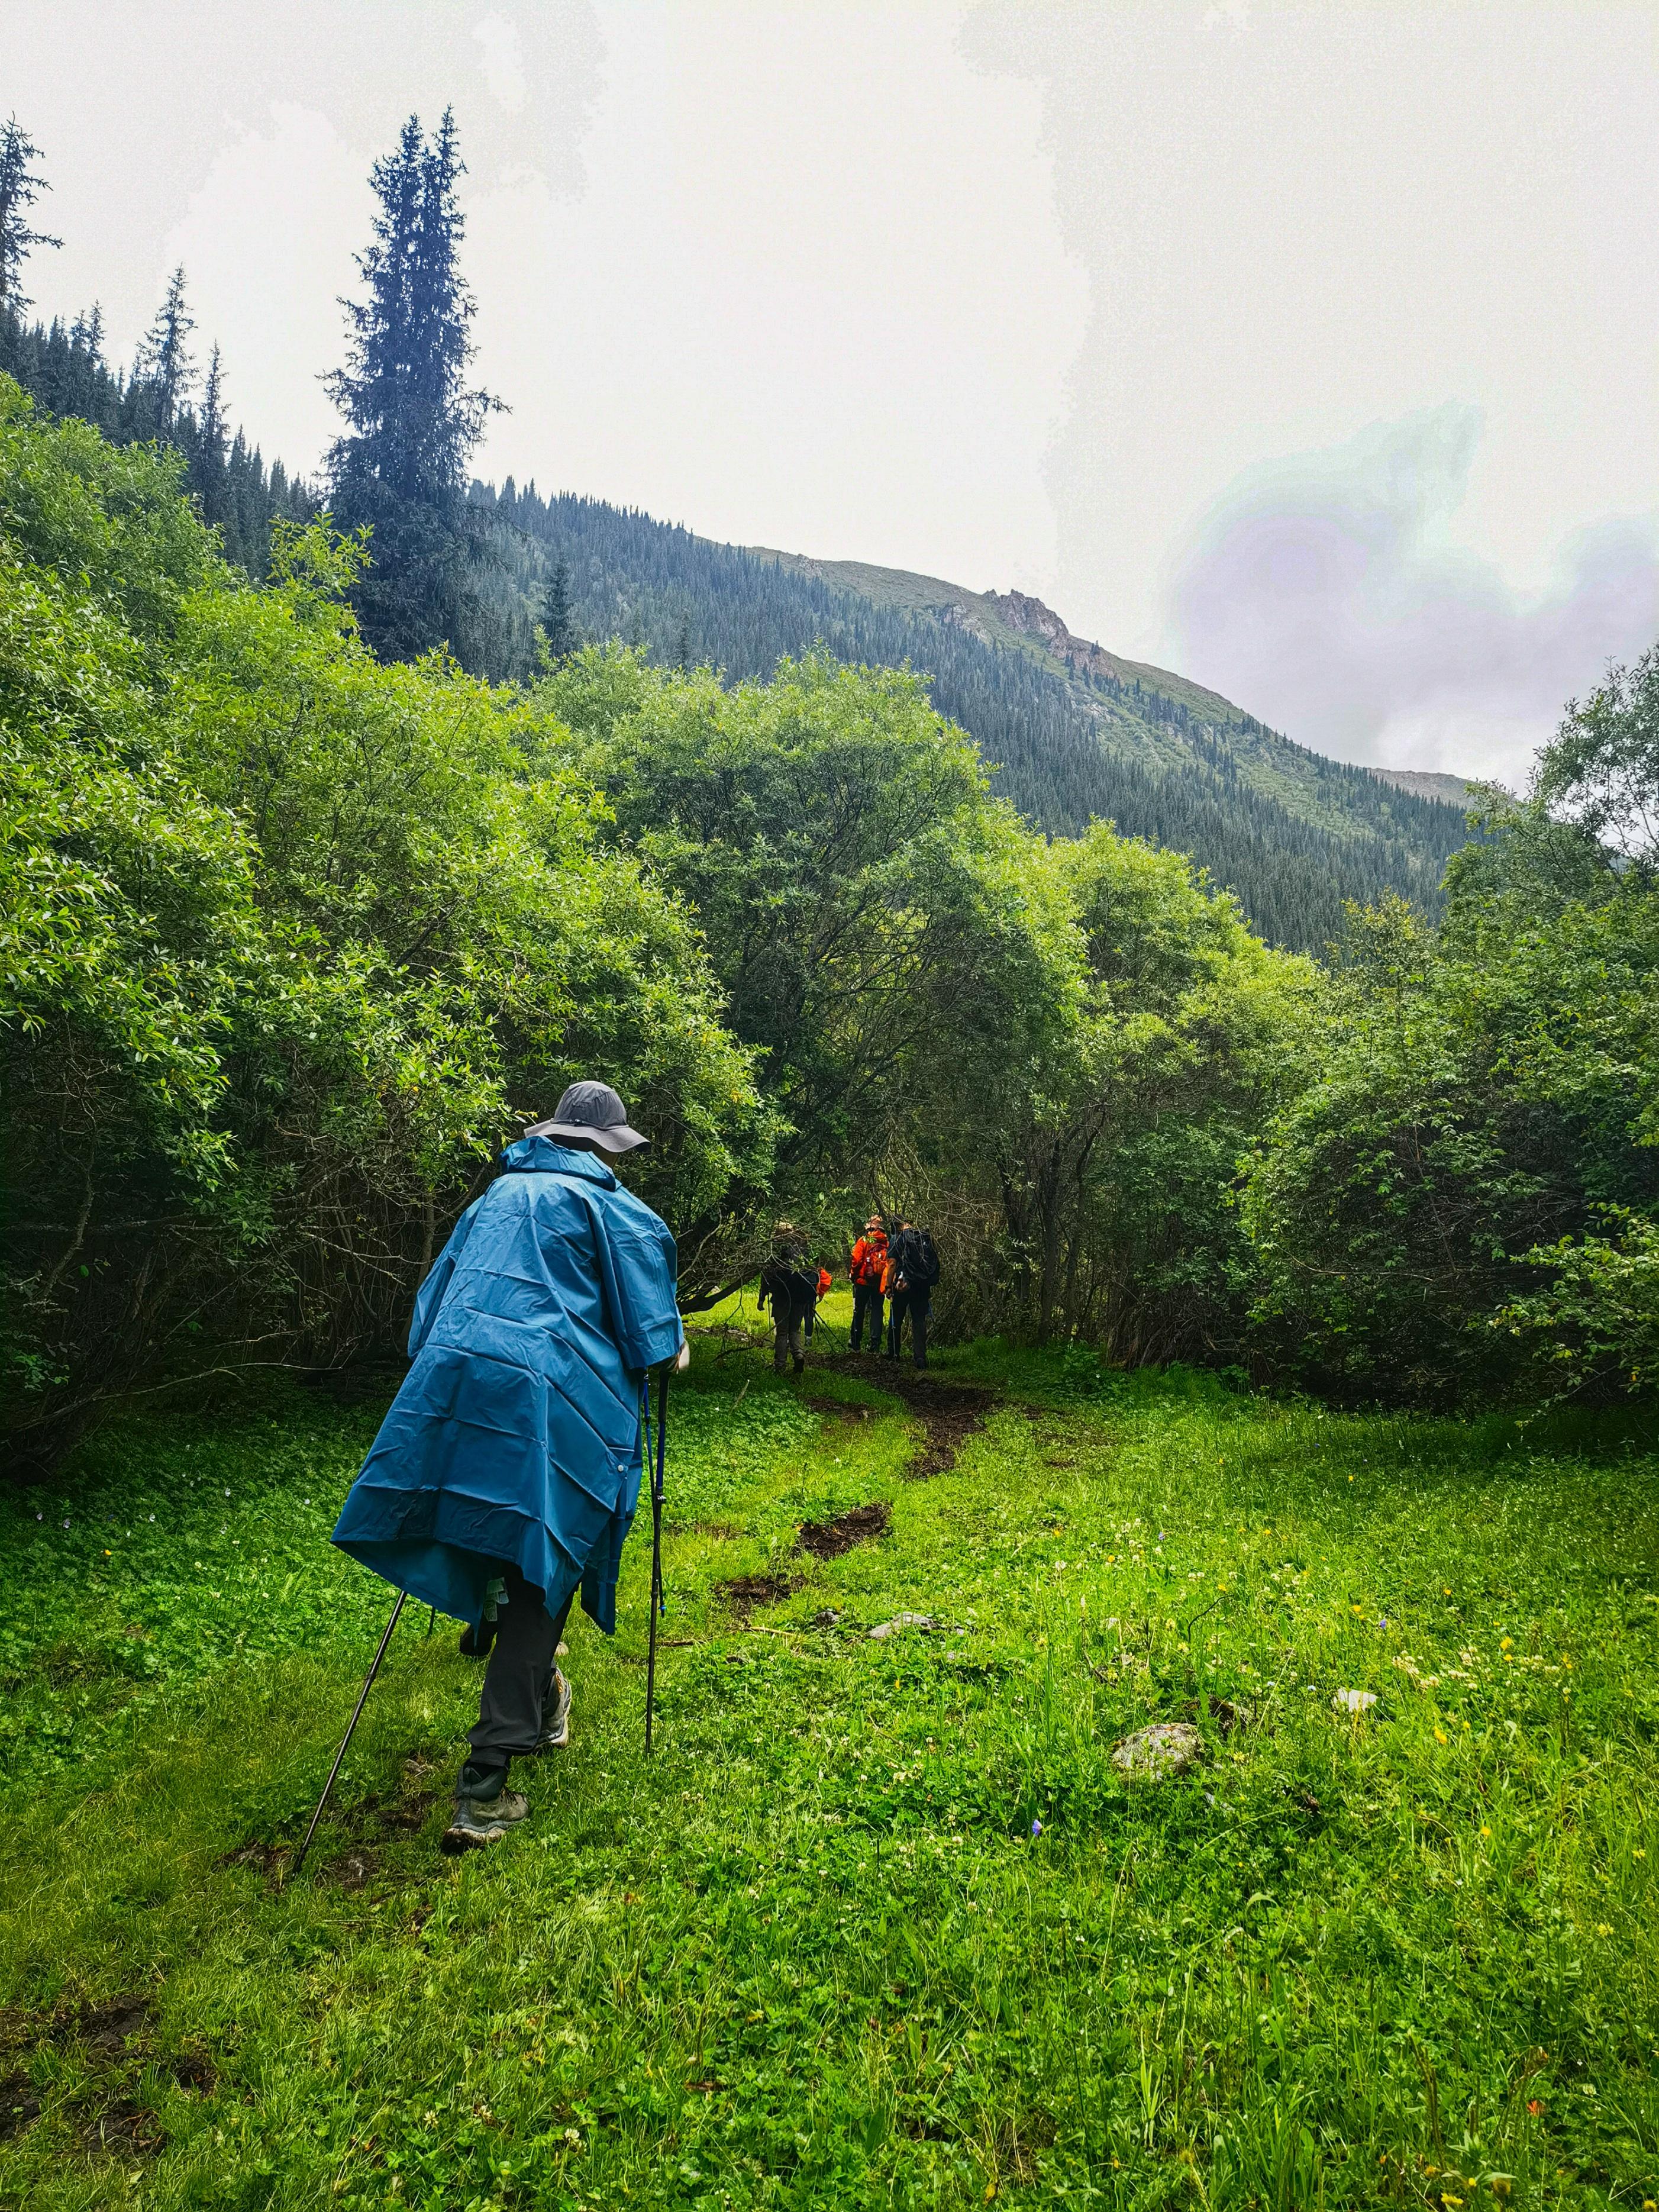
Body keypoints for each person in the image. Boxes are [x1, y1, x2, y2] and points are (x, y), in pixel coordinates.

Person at [331, 1080, 687, 1854]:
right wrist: (674, 1345)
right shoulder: (616, 1210)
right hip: (551, 1398)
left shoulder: (490, 1200)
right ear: (605, 1145)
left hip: (454, 1378)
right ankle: (484, 1784)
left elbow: (428, 1311)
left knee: (482, 1518)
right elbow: (652, 1339)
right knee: (544, 1566)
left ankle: (535, 1679)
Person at [757, 1223, 818, 1375]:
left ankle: (780, 1365)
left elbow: (766, 1277)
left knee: (782, 1332)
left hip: (781, 1297)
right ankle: (798, 1354)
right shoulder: (802, 1251)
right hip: (800, 1298)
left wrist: (762, 1298)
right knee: (796, 1329)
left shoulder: (775, 1251)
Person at [886, 1217, 940, 1369]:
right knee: (919, 1321)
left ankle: (894, 1353)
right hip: (922, 1286)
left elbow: (892, 1264)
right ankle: (920, 1358)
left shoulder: (897, 1239)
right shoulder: (923, 1237)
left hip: (902, 1285)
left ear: (897, 1226)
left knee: (896, 1318)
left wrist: (888, 1286)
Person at [848, 1215, 888, 1353]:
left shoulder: (863, 1241)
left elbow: (857, 1260)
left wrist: (853, 1275)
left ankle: (855, 1342)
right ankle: (875, 1343)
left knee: (859, 1310)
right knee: (877, 1310)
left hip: (863, 1282)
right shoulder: (886, 1241)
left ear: (869, 1227)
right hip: (879, 1283)